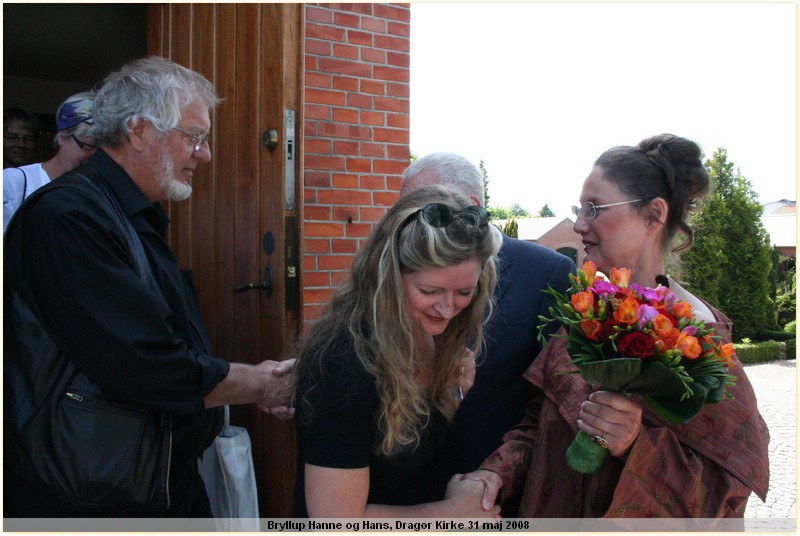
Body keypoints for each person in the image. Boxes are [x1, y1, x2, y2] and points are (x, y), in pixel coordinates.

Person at [4, 56, 294, 518]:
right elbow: (145, 364)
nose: (205, 154)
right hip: (90, 498)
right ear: (138, 130)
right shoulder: (69, 217)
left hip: (148, 479)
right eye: (194, 137)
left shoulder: (127, 213)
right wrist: (260, 384)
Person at [466, 134, 770, 518]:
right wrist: (497, 472)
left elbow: (726, 492)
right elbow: (539, 427)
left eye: (595, 208)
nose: (578, 224)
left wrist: (636, 445)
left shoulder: (699, 339)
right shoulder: (586, 316)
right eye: (579, 208)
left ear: (654, 215)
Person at [292, 184, 503, 518]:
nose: (447, 309)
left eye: (465, 291)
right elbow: (335, 521)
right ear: (389, 276)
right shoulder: (342, 362)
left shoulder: (430, 334)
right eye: (429, 290)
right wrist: (452, 516)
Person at [401, 153, 576, 497]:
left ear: (471, 205)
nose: (408, 223)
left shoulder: (546, 273)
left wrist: (497, 473)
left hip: (490, 492)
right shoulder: (396, 263)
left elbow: (554, 400)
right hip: (399, 486)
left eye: (423, 209)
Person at [4, 92, 97, 231]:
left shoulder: (100, 191)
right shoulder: (14, 181)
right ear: (62, 136)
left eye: (105, 150)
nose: (96, 156)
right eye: (89, 145)